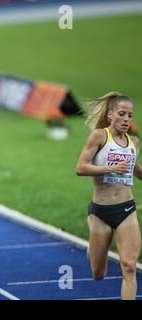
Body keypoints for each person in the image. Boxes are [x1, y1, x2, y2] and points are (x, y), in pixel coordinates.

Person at [76, 91, 142, 300]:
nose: (126, 119)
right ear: (111, 114)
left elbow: (133, 169)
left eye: (130, 115)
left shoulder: (134, 142)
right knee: (98, 274)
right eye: (122, 114)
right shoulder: (99, 136)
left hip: (126, 210)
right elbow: (81, 168)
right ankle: (91, 226)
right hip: (101, 212)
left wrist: (130, 169)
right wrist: (110, 168)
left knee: (129, 267)